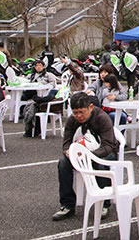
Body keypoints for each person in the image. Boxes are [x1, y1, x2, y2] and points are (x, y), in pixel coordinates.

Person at [52, 92, 119, 221]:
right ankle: (67, 205)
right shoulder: (73, 120)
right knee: (63, 163)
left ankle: (104, 203)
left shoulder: (102, 118)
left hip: (104, 151)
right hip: (83, 152)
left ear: (91, 107)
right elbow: (66, 141)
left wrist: (89, 156)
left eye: (82, 112)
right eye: (75, 113)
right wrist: (68, 151)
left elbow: (108, 146)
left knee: (101, 163)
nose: (79, 116)